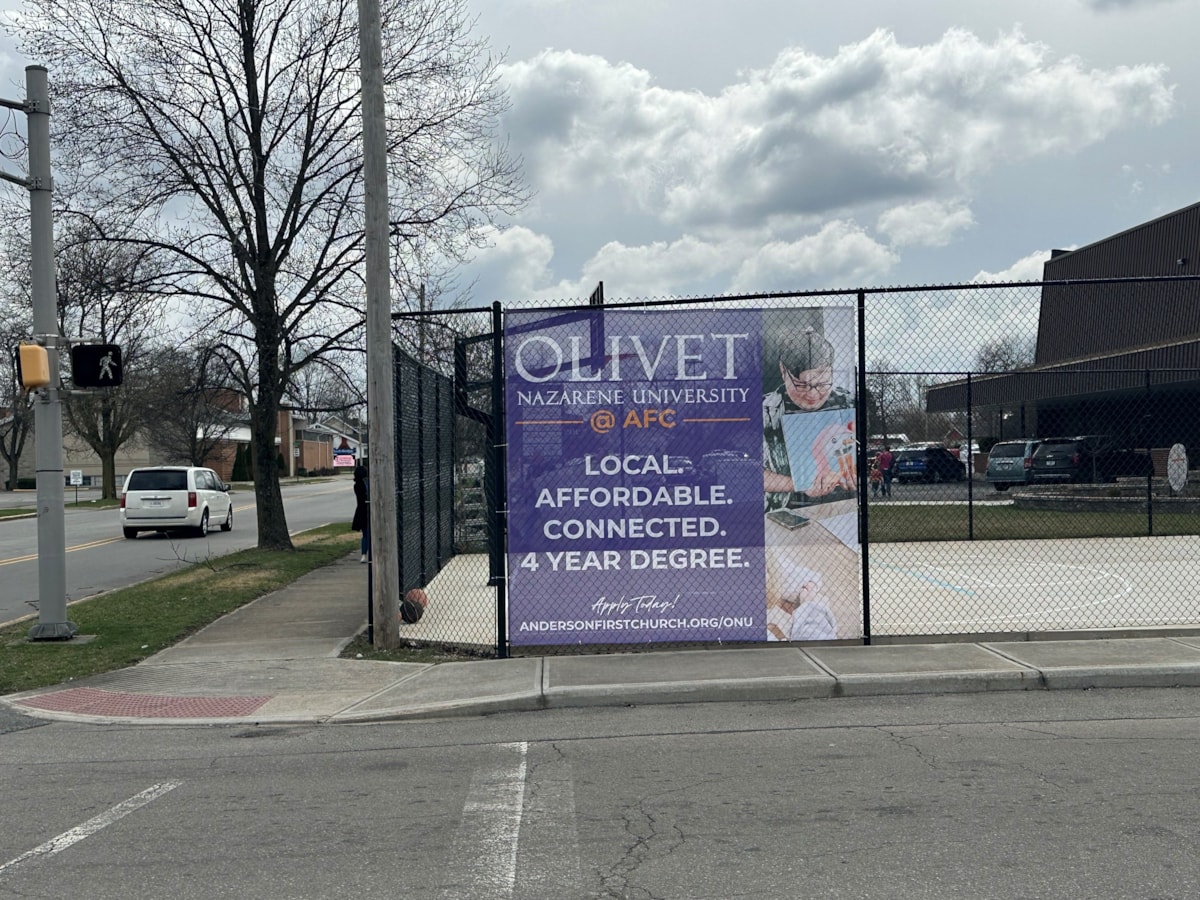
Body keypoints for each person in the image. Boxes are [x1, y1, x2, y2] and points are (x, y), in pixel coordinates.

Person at [763, 326, 853, 511]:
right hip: (781, 511)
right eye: (801, 385)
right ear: (783, 370)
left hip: (844, 508)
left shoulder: (849, 403)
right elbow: (746, 474)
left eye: (822, 384)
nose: (813, 394)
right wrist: (800, 484)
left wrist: (851, 473)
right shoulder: (763, 412)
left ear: (832, 372)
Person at [351, 464, 370, 562]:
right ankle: (365, 554)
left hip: (363, 511)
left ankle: (364, 555)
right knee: (367, 534)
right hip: (365, 510)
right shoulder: (361, 485)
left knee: (366, 534)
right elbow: (363, 497)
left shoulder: (359, 484)